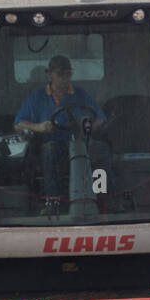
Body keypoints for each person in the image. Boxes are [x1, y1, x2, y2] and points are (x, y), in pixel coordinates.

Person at [14, 55, 106, 202]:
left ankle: (103, 197)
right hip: (52, 146)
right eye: (60, 74)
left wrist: (86, 128)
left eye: (68, 74)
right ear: (49, 74)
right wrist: (39, 127)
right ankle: (53, 201)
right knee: (50, 151)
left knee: (102, 150)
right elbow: (18, 123)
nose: (65, 78)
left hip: (80, 145)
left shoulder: (80, 94)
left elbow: (100, 119)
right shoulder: (38, 96)